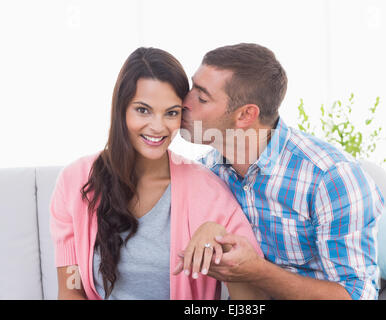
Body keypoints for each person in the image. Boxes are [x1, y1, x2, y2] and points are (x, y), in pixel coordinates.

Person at [49, 47, 265, 300]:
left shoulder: (208, 190)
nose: (158, 126)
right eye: (143, 110)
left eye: (171, 113)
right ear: (121, 109)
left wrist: (221, 238)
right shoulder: (75, 180)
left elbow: (253, 302)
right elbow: (70, 291)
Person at [178, 43, 384, 300]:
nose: (183, 102)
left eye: (202, 97)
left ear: (245, 115)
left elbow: (356, 296)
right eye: (191, 87)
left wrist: (255, 271)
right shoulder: (206, 173)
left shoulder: (330, 177)